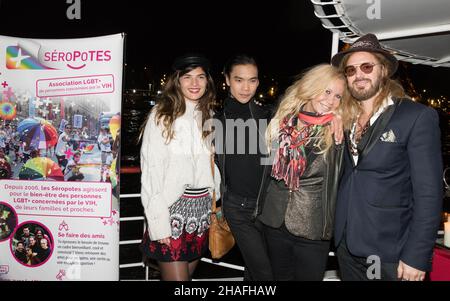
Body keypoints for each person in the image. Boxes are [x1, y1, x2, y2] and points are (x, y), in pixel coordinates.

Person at [331, 33, 443, 281]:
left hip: (392, 251)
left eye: (367, 66)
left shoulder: (416, 116)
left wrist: (417, 254)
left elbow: (429, 193)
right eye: (350, 70)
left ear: (383, 70)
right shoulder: (344, 117)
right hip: (347, 246)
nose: (358, 74)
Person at [257, 64, 347, 280]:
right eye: (327, 91)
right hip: (274, 220)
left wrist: (343, 121)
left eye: (338, 96)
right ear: (311, 87)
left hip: (313, 227)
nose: (331, 101)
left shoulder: (338, 131)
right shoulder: (281, 121)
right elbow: (263, 165)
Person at [139, 53, 220, 281]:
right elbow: (152, 171)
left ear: (208, 81)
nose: (194, 84)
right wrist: (158, 223)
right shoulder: (162, 116)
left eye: (200, 77)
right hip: (172, 213)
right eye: (187, 77)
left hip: (201, 214)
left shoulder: (209, 116)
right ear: (177, 81)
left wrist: (217, 196)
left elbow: (211, 166)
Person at [214, 54, 274, 280]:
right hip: (236, 208)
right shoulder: (216, 121)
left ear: (258, 82)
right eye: (239, 80)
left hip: (267, 208)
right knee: (265, 273)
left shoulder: (268, 116)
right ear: (228, 80)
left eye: (252, 80)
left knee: (254, 269)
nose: (246, 87)